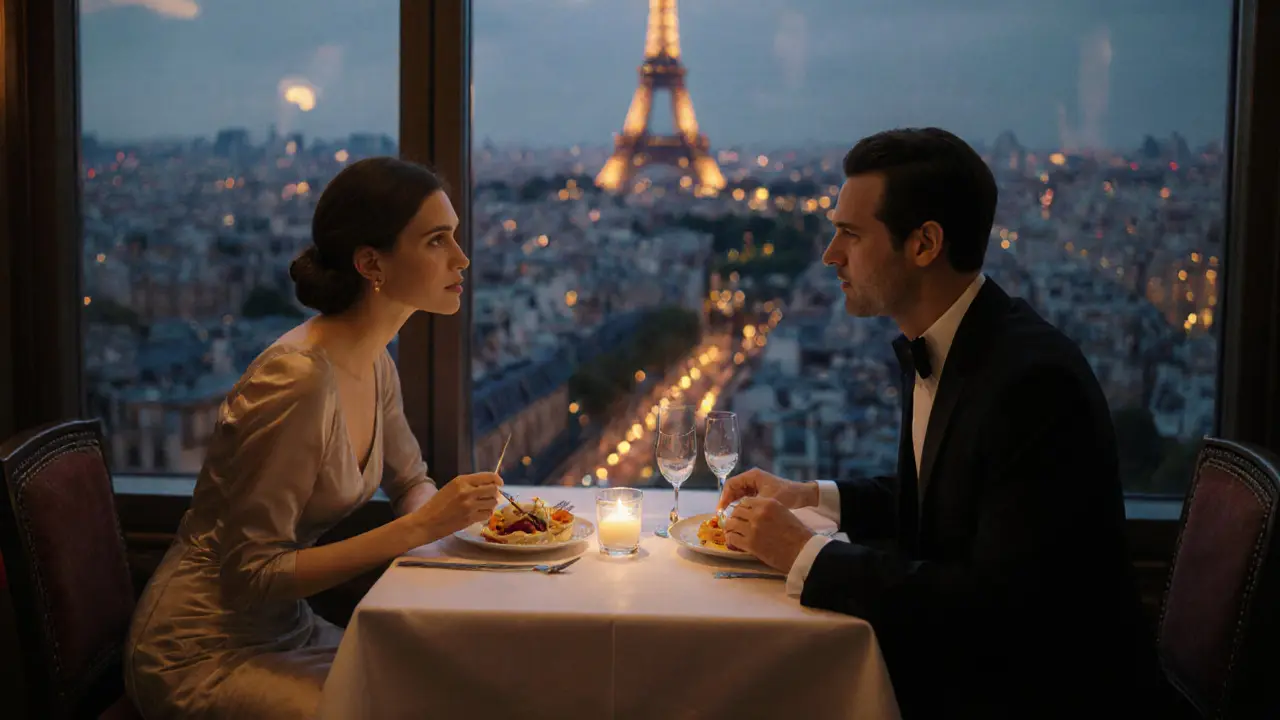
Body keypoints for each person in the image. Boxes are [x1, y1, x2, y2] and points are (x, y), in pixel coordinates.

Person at [718, 128, 1161, 717]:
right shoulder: (963, 343)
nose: (830, 254)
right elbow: (948, 500)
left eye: (850, 233)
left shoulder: (1032, 384)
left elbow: (1000, 609)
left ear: (925, 243)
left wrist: (808, 556)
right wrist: (812, 497)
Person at [124, 157, 503, 719]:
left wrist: (444, 518)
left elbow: (412, 481)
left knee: (451, 689)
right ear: (372, 263)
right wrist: (421, 527)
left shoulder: (374, 363)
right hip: (201, 651)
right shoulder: (298, 380)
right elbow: (251, 572)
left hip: (289, 631)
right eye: (437, 240)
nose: (461, 258)